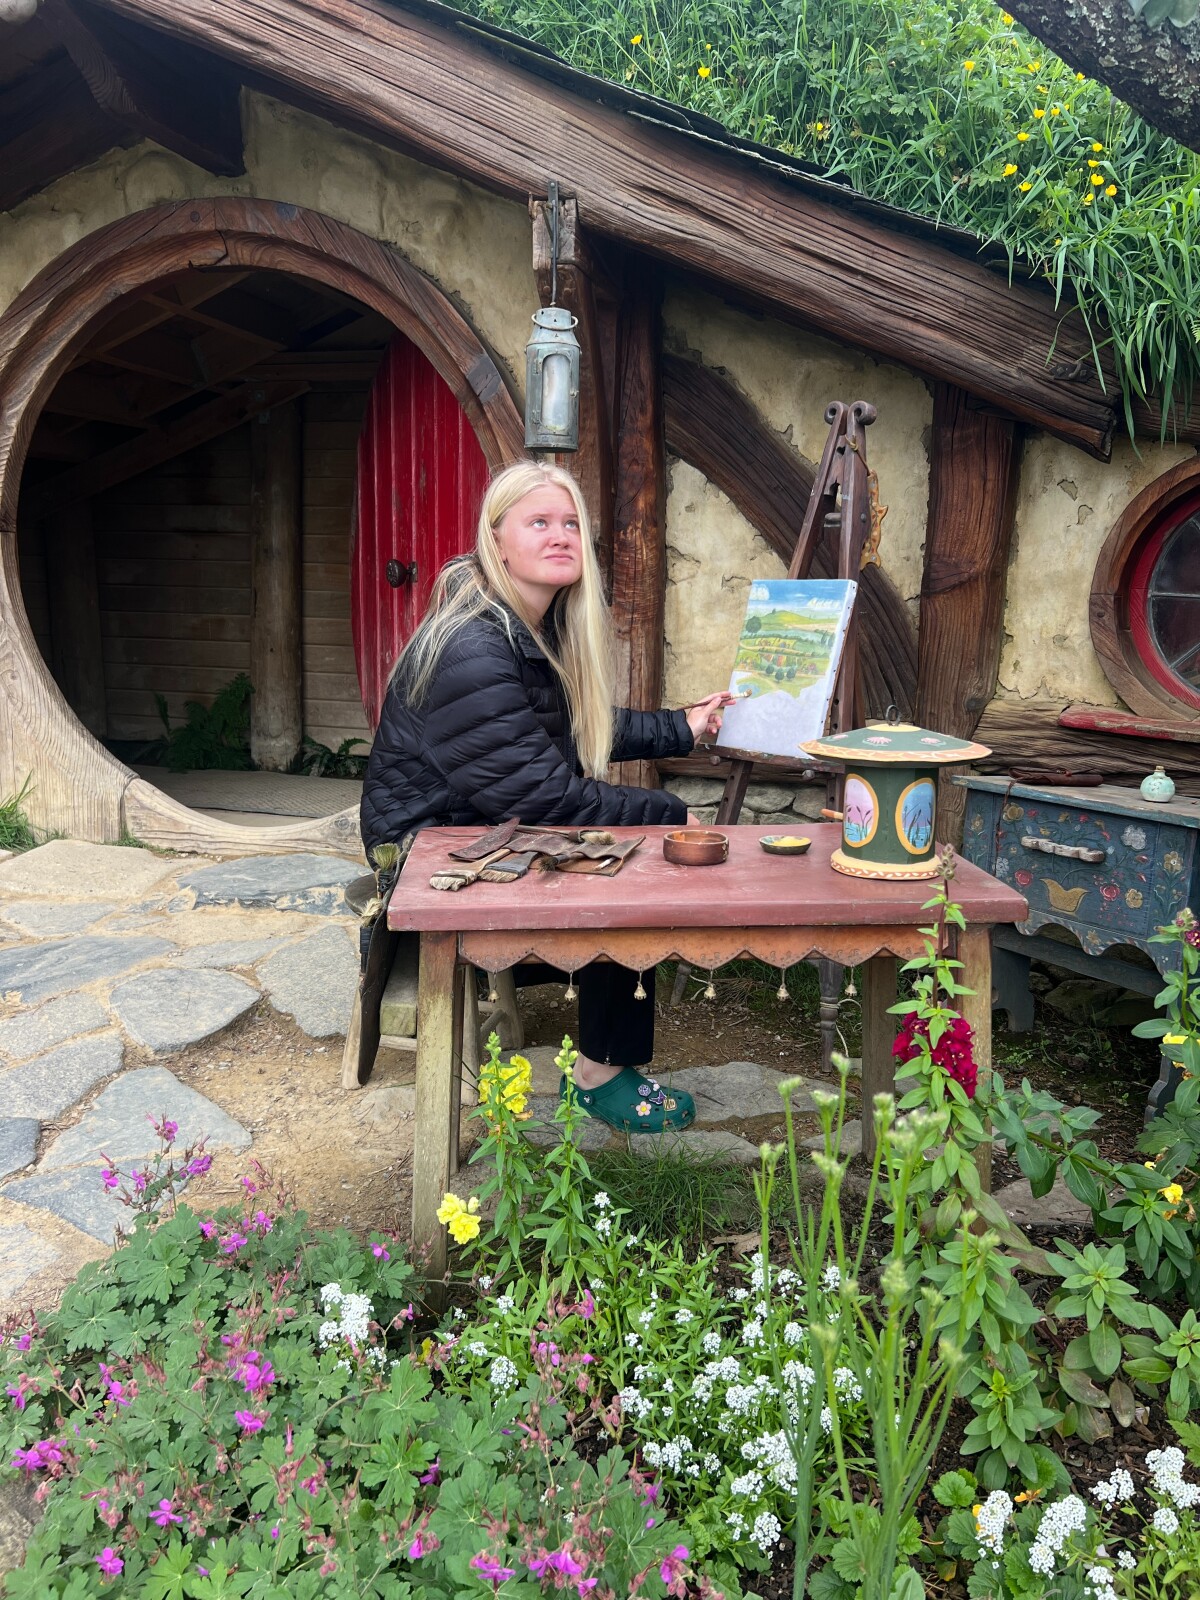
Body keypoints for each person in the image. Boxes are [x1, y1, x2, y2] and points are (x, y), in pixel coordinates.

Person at [361, 459, 731, 1133]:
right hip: (430, 850)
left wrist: (683, 726)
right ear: (496, 541)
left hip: (480, 822)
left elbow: (578, 726)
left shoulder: (526, 626)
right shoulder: (474, 645)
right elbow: (545, 797)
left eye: (570, 524)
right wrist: (669, 815)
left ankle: (600, 1046)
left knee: (626, 849)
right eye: (538, 522)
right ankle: (601, 1075)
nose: (560, 536)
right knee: (627, 863)